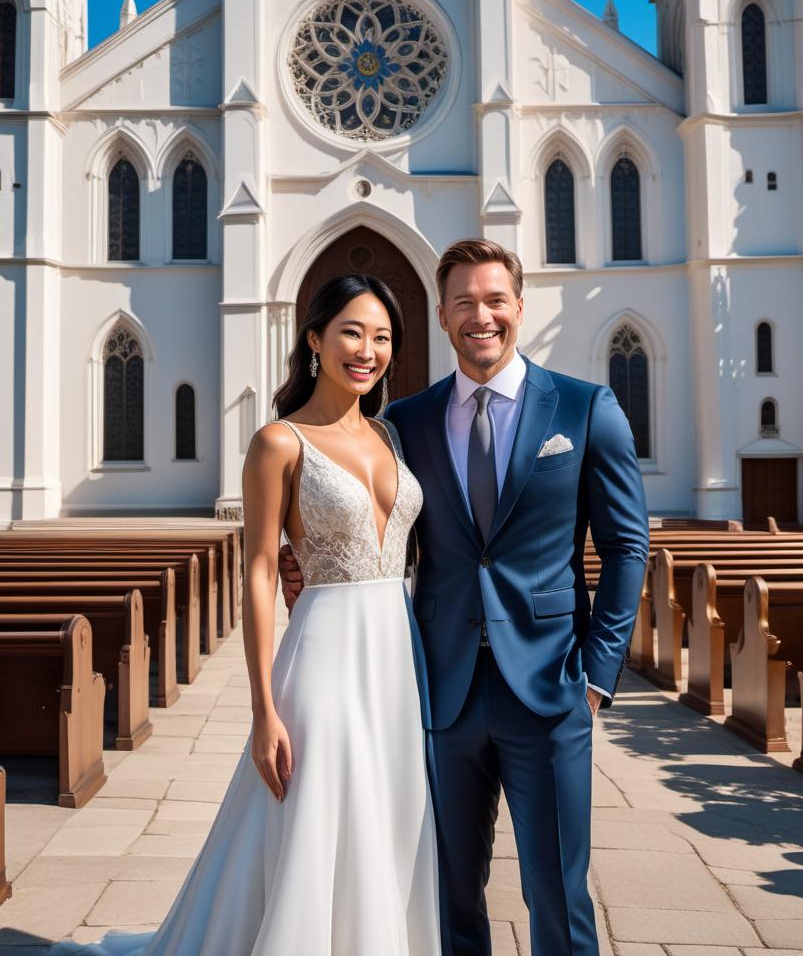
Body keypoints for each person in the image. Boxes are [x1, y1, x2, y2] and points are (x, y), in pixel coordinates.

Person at [281, 238, 649, 956]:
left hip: (550, 690)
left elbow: (628, 546)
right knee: (445, 895)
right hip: (436, 692)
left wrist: (598, 677)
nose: (481, 316)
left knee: (558, 894)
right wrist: (306, 563)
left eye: (494, 300)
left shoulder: (584, 408)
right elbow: (370, 522)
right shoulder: (405, 424)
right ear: (442, 318)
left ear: (518, 306)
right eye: (463, 304)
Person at [59, 274, 440, 955]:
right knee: (317, 813)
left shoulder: (391, 435)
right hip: (324, 655)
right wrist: (263, 709)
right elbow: (261, 570)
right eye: (352, 331)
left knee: (386, 814)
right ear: (314, 339)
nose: (368, 349)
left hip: (396, 661)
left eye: (383, 337)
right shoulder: (279, 443)